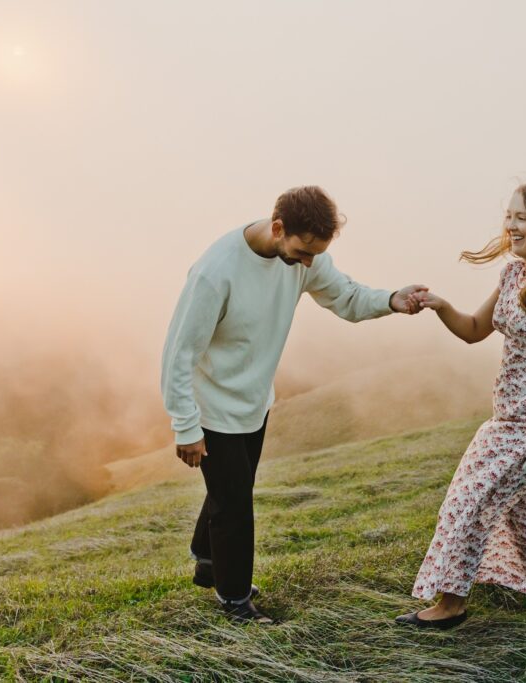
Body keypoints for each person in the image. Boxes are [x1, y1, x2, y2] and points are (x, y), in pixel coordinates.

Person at [161, 186, 426, 623]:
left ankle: (207, 560)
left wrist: (392, 301)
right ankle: (234, 599)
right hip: (212, 408)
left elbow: (345, 295)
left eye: (315, 255)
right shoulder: (216, 272)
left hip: (254, 402)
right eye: (303, 252)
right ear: (278, 227)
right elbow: (178, 354)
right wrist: (186, 426)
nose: (308, 264)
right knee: (234, 508)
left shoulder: (307, 257)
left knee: (234, 488)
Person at [396, 182, 526, 629]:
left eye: (521, 217)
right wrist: (440, 305)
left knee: (469, 500)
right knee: (523, 513)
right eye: (508, 215)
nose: (510, 225)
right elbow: (474, 328)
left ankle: (451, 605)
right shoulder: (513, 275)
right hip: (506, 421)